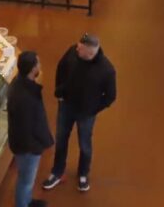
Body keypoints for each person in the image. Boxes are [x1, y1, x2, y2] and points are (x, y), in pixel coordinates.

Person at [43, 34, 117, 194]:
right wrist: (60, 93)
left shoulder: (107, 70)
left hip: (86, 114)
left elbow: (111, 96)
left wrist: (94, 109)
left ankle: (83, 173)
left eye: (80, 49)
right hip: (66, 106)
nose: (76, 49)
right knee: (61, 138)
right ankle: (57, 171)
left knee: (85, 144)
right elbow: (61, 68)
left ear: (90, 53)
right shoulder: (72, 52)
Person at [8, 51, 54, 207]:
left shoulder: (18, 84)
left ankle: (27, 201)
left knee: (26, 178)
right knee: (26, 180)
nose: (40, 66)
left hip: (23, 144)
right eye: (38, 63)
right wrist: (41, 143)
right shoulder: (26, 97)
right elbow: (30, 126)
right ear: (33, 69)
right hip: (28, 148)